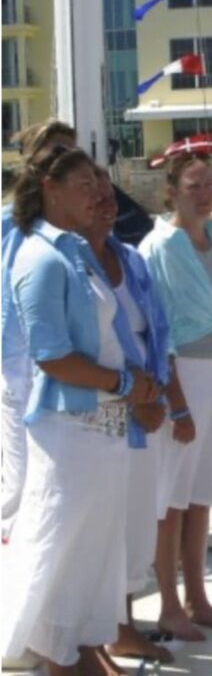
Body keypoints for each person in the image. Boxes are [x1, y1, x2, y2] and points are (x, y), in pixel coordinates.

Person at [0, 146, 160, 675]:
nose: (98, 193)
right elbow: (51, 357)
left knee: (94, 553)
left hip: (103, 433)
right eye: (85, 184)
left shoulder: (75, 253)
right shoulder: (41, 258)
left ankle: (85, 648)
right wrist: (126, 383)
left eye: (98, 183)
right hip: (70, 434)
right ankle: (59, 659)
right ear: (50, 187)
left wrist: (136, 388)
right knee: (61, 552)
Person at [139, 153, 212, 640]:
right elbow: (156, 331)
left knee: (201, 496)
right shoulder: (157, 248)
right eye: (193, 186)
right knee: (173, 501)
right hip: (180, 376)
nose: (204, 194)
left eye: (208, 185)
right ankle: (168, 605)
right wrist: (176, 404)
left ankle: (197, 599)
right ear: (171, 192)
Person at [80, 169, 178, 664]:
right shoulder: (70, 266)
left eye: (109, 195)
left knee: (138, 518)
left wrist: (160, 395)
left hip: (146, 407)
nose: (105, 203)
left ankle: (122, 624)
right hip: (100, 411)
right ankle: (93, 636)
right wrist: (134, 396)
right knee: (103, 525)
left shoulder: (132, 260)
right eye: (93, 194)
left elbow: (157, 330)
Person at [1, 120, 78, 543]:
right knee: (19, 480)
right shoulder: (6, 224)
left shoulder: (79, 225)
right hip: (17, 364)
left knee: (58, 476)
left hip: (69, 366)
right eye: (56, 153)